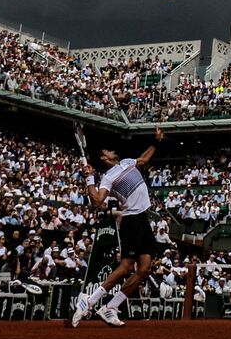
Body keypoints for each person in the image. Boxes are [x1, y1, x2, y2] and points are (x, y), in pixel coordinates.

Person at [70, 128, 165, 328]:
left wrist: (155, 142)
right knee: (126, 268)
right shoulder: (107, 178)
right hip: (131, 221)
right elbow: (97, 201)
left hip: (143, 219)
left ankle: (111, 307)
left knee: (145, 269)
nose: (113, 151)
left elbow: (144, 160)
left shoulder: (128, 162)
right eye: (108, 151)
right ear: (105, 157)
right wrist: (89, 179)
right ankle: (90, 300)